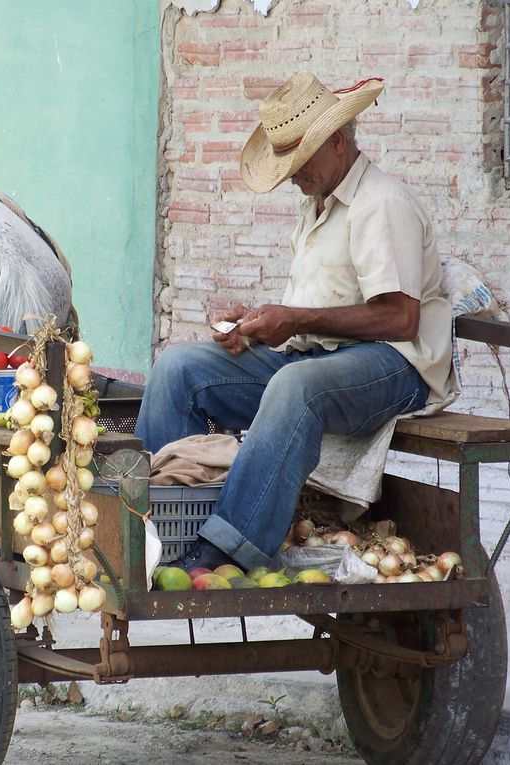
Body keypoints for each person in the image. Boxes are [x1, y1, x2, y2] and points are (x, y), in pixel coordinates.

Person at [135, 72, 455, 574]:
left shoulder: (381, 204)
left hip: (396, 367)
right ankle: (159, 530)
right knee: (180, 368)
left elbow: (400, 317)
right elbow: (322, 308)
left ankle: (227, 552)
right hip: (322, 357)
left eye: (298, 162)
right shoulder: (319, 204)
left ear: (335, 142)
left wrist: (296, 319)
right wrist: (264, 324)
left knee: (296, 385)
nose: (290, 176)